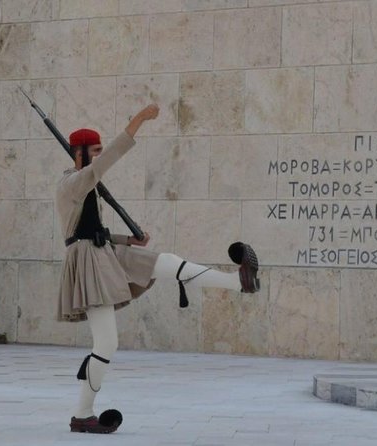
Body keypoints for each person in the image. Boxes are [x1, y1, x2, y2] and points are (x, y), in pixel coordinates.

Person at [55, 104, 260, 434]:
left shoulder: (85, 185)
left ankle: (238, 281)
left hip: (105, 250)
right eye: (95, 150)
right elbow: (78, 228)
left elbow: (90, 227)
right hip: (88, 263)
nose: (100, 154)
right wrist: (138, 120)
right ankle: (82, 413)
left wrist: (127, 239)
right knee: (106, 344)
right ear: (80, 153)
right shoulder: (72, 184)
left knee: (165, 262)